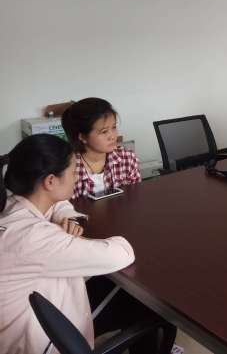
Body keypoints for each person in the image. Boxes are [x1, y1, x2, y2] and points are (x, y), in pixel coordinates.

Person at [0, 134, 135, 354]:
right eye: (73, 173)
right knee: (141, 305)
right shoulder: (35, 237)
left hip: (36, 313)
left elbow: (58, 204)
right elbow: (122, 253)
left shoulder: (11, 203)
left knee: (116, 289)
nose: (76, 178)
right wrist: (77, 239)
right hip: (42, 339)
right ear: (50, 181)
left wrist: (68, 217)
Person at [61, 98, 141, 198]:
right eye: (104, 131)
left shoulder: (127, 158)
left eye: (114, 127)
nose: (112, 136)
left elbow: (135, 196)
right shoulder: (67, 168)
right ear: (82, 137)